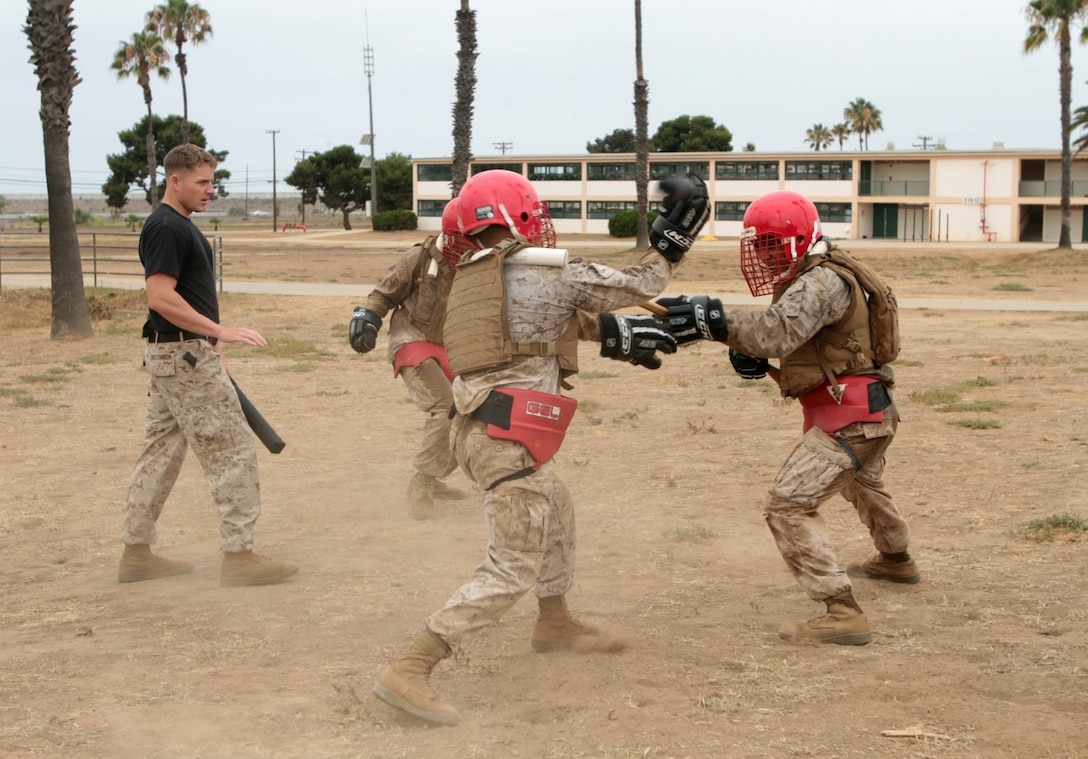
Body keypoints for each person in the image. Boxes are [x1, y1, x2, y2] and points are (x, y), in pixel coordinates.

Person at [372, 169, 707, 724]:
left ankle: (554, 619)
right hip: (507, 439)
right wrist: (676, 234)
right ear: (520, 216)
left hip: (484, 431)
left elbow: (539, 326)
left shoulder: (476, 277)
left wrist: (619, 337)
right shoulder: (541, 270)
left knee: (556, 508)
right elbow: (639, 284)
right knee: (510, 566)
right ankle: (412, 665)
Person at [655, 190, 918, 646]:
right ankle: (896, 559)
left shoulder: (822, 282)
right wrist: (754, 359)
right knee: (863, 486)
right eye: (758, 246)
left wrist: (710, 320)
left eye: (772, 244)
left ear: (798, 238)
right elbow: (811, 356)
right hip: (861, 408)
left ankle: (841, 610)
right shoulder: (820, 271)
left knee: (788, 506)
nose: (763, 254)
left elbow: (776, 331)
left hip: (852, 418)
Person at [118, 143, 299, 588]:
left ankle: (136, 554)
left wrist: (215, 348)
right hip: (183, 356)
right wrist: (221, 332)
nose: (209, 191)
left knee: (159, 454)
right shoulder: (166, 227)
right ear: (174, 181)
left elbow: (191, 297)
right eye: (201, 182)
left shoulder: (179, 226)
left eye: (212, 181)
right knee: (233, 452)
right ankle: (239, 557)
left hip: (179, 354)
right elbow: (160, 297)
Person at [348, 198, 474, 519]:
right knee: (443, 404)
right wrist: (368, 318)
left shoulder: (483, 263)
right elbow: (383, 293)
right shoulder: (419, 257)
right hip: (412, 338)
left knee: (471, 412)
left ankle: (433, 475)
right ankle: (422, 481)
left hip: (453, 345)